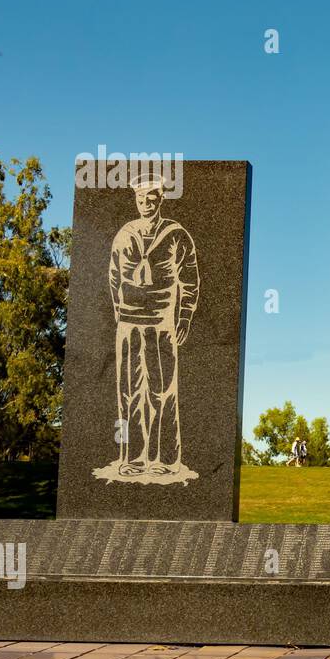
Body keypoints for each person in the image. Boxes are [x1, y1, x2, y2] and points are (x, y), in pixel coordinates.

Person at [97, 172, 200, 483]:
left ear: (161, 200)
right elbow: (114, 277)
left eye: (151, 199)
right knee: (128, 391)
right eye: (140, 199)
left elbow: (190, 279)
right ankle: (130, 456)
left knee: (162, 391)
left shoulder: (176, 235)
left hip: (161, 323)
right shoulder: (124, 235)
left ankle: (163, 459)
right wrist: (119, 312)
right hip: (129, 323)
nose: (145, 204)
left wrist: (184, 316)